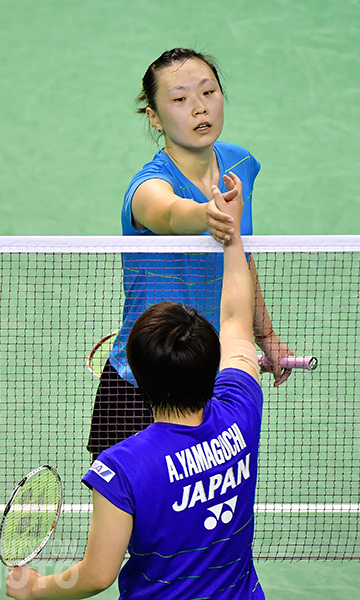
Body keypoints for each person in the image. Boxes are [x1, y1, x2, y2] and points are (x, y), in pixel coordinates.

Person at [7, 173, 265, 599]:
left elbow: (97, 574)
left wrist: (34, 589)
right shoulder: (241, 410)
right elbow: (237, 319)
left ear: (137, 378)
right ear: (212, 364)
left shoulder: (121, 467)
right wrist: (231, 235)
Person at [87, 48, 292, 460]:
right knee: (122, 500)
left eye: (208, 92)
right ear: (155, 117)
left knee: (205, 496)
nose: (199, 108)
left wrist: (266, 335)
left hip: (210, 379)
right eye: (179, 99)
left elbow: (240, 257)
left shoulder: (241, 165)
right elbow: (168, 213)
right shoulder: (148, 188)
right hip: (142, 383)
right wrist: (207, 214)